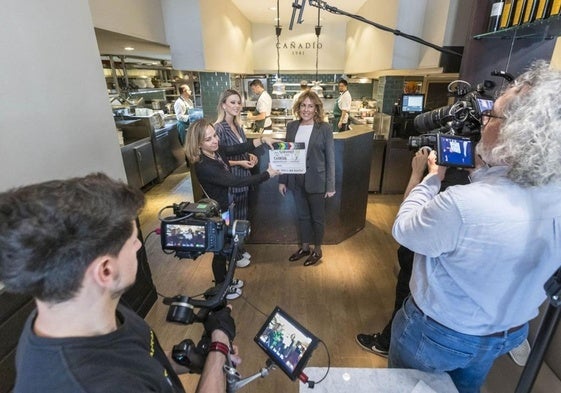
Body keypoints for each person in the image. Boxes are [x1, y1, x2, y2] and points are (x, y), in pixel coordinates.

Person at [388, 60, 561, 393]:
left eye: (492, 115)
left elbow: (405, 229)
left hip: (441, 334)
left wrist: (430, 178)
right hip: (506, 334)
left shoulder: (464, 205)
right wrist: (484, 170)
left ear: (515, 130)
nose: (483, 120)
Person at [0, 173, 238, 393]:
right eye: (133, 240)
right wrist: (220, 346)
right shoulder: (91, 385)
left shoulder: (86, 309)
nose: (138, 246)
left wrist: (196, 359)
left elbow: (141, 361)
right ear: (105, 269)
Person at [356, 152, 471, 357]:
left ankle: (387, 343)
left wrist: (420, 174)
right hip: (467, 316)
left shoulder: (447, 190)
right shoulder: (478, 185)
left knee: (406, 298)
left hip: (419, 255)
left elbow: (404, 225)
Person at [185, 119, 280, 298]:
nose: (215, 140)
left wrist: (262, 139)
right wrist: (268, 174)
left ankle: (226, 281)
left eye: (214, 135)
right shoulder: (204, 165)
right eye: (208, 139)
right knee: (220, 251)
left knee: (227, 246)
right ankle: (221, 287)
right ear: (198, 143)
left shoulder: (215, 151)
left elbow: (235, 149)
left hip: (227, 207)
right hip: (218, 214)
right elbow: (236, 182)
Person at [278, 91, 335, 267]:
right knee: (302, 216)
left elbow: (330, 158)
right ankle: (304, 248)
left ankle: (317, 250)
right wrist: (282, 180)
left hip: (317, 181)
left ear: (316, 108)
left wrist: (330, 185)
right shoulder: (292, 126)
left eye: (310, 106)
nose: (306, 109)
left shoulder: (324, 128)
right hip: (296, 180)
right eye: (303, 105)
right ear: (298, 107)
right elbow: (286, 155)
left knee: (317, 218)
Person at [214, 89, 257, 268]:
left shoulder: (238, 126)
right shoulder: (219, 128)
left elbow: (241, 150)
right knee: (231, 220)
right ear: (223, 105)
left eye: (238, 102)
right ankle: (233, 254)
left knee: (241, 217)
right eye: (232, 102)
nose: (237, 106)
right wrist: (239, 164)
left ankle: (238, 249)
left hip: (243, 179)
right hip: (231, 180)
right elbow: (219, 159)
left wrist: (251, 156)